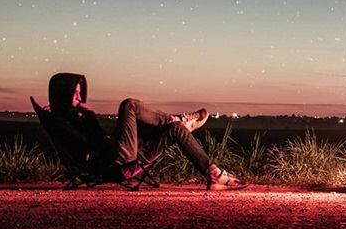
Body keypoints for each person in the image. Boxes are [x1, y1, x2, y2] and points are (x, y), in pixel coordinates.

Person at [45, 72, 247, 190]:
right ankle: (177, 119)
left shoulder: (76, 116)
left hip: (120, 152)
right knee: (129, 105)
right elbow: (86, 150)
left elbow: (96, 136)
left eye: (80, 93)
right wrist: (90, 124)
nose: (80, 98)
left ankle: (214, 175)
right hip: (114, 161)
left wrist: (89, 117)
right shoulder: (60, 122)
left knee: (175, 130)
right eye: (76, 94)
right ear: (62, 95)